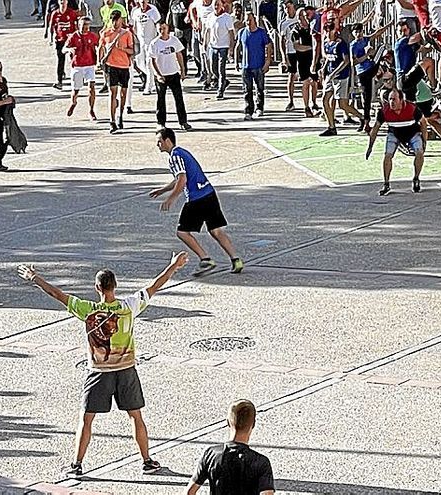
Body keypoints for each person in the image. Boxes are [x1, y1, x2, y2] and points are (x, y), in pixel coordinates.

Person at [17, 252, 187, 478]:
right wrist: (173, 266)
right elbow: (155, 285)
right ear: (115, 286)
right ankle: (147, 460)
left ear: (97, 287)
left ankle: (77, 464)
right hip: (126, 370)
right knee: (135, 416)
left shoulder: (87, 310)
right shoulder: (129, 306)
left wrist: (34, 277)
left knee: (86, 419)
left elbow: (57, 294)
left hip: (98, 373)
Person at [150, 128, 243, 273]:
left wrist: (170, 199)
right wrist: (162, 190)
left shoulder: (174, 156)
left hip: (196, 198)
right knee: (216, 231)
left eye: (159, 141)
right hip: (209, 193)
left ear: (167, 140)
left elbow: (182, 179)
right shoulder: (183, 152)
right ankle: (236, 260)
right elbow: (179, 179)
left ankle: (205, 259)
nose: (158, 145)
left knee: (182, 232)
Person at [184, 400, 275, 495]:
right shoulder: (260, 462)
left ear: (227, 422)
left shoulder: (211, 454)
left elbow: (189, 492)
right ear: (253, 425)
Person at [365, 87, 426, 196]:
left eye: (394, 99)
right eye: (390, 99)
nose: (391, 102)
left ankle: (416, 178)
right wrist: (370, 146)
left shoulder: (412, 108)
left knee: (419, 152)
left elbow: (423, 123)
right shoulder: (384, 111)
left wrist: (424, 141)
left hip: (412, 133)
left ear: (401, 100)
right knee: (387, 156)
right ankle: (386, 183)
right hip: (394, 133)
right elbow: (375, 128)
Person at [319, 21, 363, 136]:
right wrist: (323, 69)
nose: (328, 33)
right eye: (326, 30)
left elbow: (346, 60)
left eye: (330, 30)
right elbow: (328, 57)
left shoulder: (341, 43)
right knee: (325, 99)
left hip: (341, 76)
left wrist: (335, 72)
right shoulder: (326, 42)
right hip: (330, 75)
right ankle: (331, 126)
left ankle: (362, 117)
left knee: (342, 104)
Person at [149, 22, 190, 130]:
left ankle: (183, 121)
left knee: (179, 98)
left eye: (164, 28)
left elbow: (179, 54)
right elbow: (152, 61)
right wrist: (158, 75)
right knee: (161, 100)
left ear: (168, 29)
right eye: (160, 29)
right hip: (161, 75)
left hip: (173, 73)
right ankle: (161, 122)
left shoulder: (174, 40)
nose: (162, 31)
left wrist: (182, 70)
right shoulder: (154, 43)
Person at [99, 10, 133, 134]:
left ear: (121, 21)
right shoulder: (106, 33)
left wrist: (123, 48)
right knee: (113, 93)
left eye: (117, 20)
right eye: (113, 20)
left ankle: (120, 115)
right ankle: (112, 121)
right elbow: (101, 47)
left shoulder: (126, 33)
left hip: (124, 66)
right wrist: (100, 61)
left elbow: (132, 50)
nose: (115, 23)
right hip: (111, 66)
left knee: (123, 94)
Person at [350, 21, 388, 131]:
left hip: (371, 68)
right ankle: (366, 121)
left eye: (360, 31)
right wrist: (367, 55)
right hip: (362, 72)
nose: (359, 34)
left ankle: (382, 70)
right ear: (353, 33)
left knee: (382, 51)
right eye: (356, 32)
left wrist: (388, 24)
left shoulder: (364, 40)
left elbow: (376, 34)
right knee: (366, 98)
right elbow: (354, 62)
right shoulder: (353, 45)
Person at [236, 12, 272, 120]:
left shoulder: (261, 33)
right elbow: (238, 46)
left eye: (250, 20)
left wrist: (268, 61)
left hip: (258, 65)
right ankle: (248, 110)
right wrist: (236, 62)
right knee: (247, 89)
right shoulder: (242, 32)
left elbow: (269, 45)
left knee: (260, 88)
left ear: (254, 20)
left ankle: (259, 107)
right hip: (246, 66)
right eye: (246, 20)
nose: (248, 22)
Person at [64, 17, 99, 119]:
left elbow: (100, 45)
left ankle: (91, 110)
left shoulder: (92, 36)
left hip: (89, 65)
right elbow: (64, 49)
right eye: (84, 25)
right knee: (76, 90)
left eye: (87, 25)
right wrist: (69, 49)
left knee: (91, 86)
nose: (86, 27)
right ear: (78, 25)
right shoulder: (73, 37)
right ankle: (73, 102)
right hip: (77, 66)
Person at [131, 0, 162, 95]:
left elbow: (158, 23)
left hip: (151, 41)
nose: (142, 3)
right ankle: (154, 77)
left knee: (149, 63)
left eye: (144, 1)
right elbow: (134, 26)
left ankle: (149, 86)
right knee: (140, 63)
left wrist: (159, 35)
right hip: (140, 41)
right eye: (140, 1)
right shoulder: (135, 12)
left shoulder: (153, 10)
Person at [292, 8, 317, 117]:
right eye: (299, 18)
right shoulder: (296, 30)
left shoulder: (313, 27)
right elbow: (297, 46)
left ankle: (314, 103)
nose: (301, 20)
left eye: (303, 17)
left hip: (313, 59)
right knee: (306, 83)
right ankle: (306, 106)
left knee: (315, 82)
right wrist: (311, 48)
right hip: (302, 60)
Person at [50, 0, 79, 90]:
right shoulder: (55, 13)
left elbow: (77, 24)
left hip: (70, 40)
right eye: (61, 0)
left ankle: (77, 79)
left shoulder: (71, 13)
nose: (62, 2)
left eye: (64, 0)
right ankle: (59, 81)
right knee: (60, 60)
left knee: (73, 60)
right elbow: (52, 26)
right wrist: (51, 39)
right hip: (60, 40)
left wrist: (77, 37)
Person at [208, 1, 235, 99]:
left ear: (222, 5)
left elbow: (231, 33)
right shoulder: (210, 17)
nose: (216, 6)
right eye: (214, 4)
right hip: (213, 46)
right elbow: (208, 31)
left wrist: (231, 48)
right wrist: (205, 42)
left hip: (223, 46)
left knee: (221, 69)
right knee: (212, 68)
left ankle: (220, 90)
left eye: (218, 4)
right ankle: (224, 82)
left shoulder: (227, 17)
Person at [278, 0, 298, 111]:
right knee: (291, 77)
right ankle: (290, 101)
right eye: (285, 8)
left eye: (289, 7)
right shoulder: (283, 23)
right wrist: (283, 57)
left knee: (308, 78)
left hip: (302, 51)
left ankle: (311, 102)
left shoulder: (300, 18)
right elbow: (281, 40)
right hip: (291, 51)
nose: (287, 10)